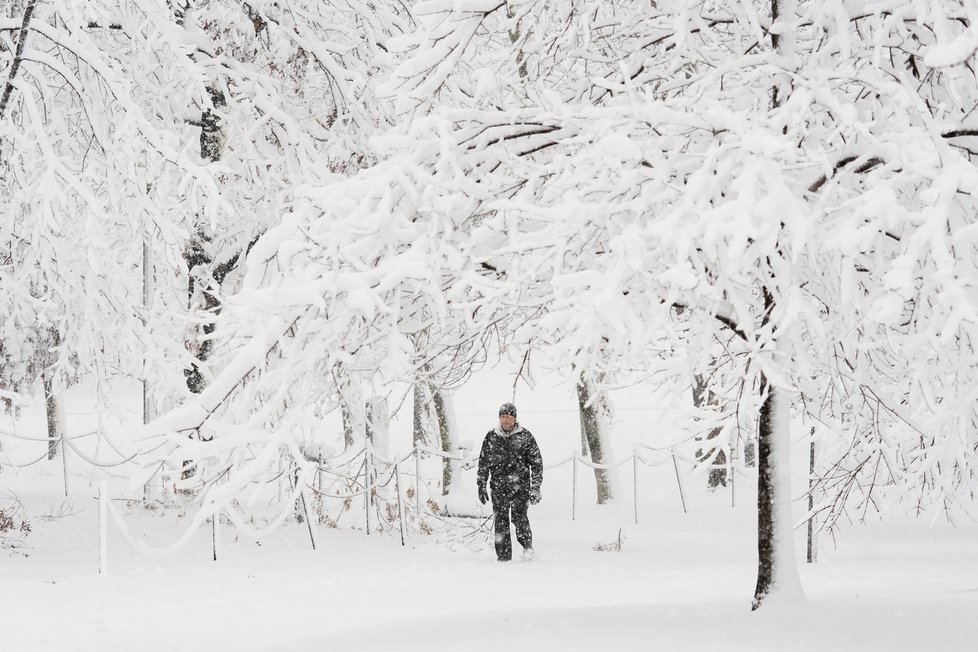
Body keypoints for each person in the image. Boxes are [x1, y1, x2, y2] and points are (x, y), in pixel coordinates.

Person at [476, 402, 543, 562]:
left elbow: (537, 463)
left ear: (515, 418)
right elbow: (483, 463)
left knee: (520, 519)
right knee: (501, 521)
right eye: (503, 417)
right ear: (499, 418)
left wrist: (535, 488)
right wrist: (481, 484)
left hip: (520, 486)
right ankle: (503, 557)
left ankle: (527, 547)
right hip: (499, 487)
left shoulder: (525, 437)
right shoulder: (491, 437)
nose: (506, 420)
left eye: (509, 417)